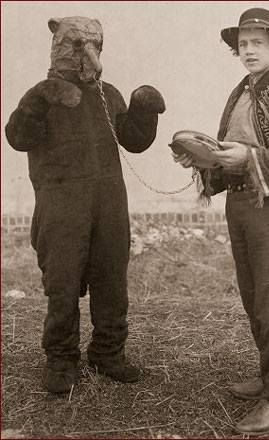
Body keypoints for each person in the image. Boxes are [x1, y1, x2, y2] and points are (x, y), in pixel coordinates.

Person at [173, 7, 269, 435]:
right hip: (241, 204)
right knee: (254, 296)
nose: (248, 50)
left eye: (258, 42)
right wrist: (203, 160)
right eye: (242, 44)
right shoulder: (242, 88)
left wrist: (250, 159)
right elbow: (232, 154)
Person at [5, 16, 165, 394]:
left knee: (112, 280)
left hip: (109, 202)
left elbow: (134, 140)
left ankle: (108, 352)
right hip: (60, 202)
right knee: (62, 284)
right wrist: (39, 98)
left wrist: (144, 109)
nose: (87, 52)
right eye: (77, 44)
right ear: (59, 43)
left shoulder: (108, 94)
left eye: (93, 43)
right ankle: (61, 359)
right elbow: (18, 137)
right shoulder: (43, 94)